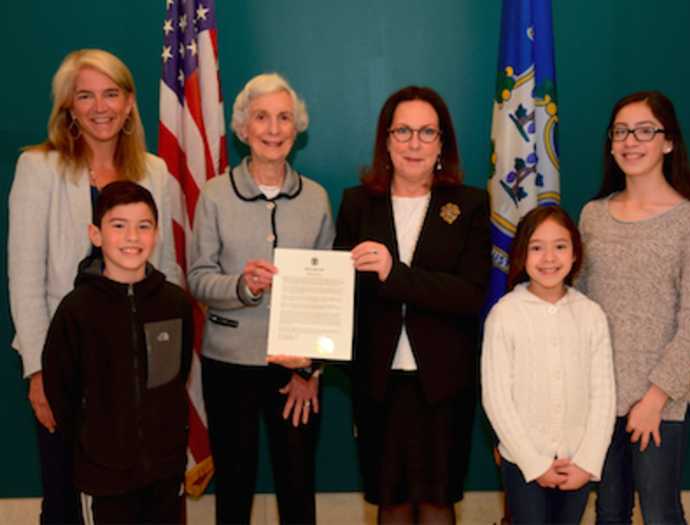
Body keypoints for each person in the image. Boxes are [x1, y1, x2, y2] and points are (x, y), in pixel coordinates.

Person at [7, 48, 181, 524]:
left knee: (135, 498)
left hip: (134, 373)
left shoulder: (156, 172)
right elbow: (25, 277)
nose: (99, 107)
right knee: (63, 498)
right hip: (65, 363)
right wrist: (38, 373)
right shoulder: (38, 169)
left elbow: (162, 279)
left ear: (128, 103)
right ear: (69, 106)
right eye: (85, 96)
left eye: (111, 94)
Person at [334, 85, 490, 524]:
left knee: (438, 504)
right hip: (378, 384)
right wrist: (313, 353)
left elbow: (469, 294)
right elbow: (339, 294)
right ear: (386, 140)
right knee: (391, 504)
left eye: (426, 132)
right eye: (403, 131)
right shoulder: (357, 203)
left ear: (443, 143)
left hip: (443, 384)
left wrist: (393, 273)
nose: (414, 143)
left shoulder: (470, 204)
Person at [188, 72, 334, 525]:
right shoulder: (214, 194)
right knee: (234, 487)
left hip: (295, 372)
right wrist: (241, 287)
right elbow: (196, 279)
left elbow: (327, 294)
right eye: (262, 118)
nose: (273, 129)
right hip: (229, 364)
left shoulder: (316, 198)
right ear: (243, 128)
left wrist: (312, 369)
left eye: (284, 118)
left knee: (297, 485)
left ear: (297, 127)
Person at [578, 91, 690, 525]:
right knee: (609, 513)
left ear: (669, 142)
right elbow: (577, 309)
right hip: (599, 399)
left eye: (644, 131)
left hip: (661, 403)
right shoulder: (592, 216)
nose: (630, 141)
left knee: (660, 513)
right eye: (620, 131)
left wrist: (655, 398)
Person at [41, 181, 193, 524]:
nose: (132, 237)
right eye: (119, 225)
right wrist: (92, 445)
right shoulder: (76, 309)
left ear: (156, 234)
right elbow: (61, 390)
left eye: (144, 226)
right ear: (96, 234)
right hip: (103, 475)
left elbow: (177, 374)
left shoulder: (175, 303)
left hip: (165, 471)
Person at [482, 206, 616, 525]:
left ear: (574, 254)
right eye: (536, 247)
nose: (549, 258)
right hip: (523, 463)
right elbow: (496, 398)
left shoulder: (591, 315)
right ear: (521, 255)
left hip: (577, 463)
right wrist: (534, 463)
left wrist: (587, 461)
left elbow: (603, 396)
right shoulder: (505, 314)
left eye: (560, 246)